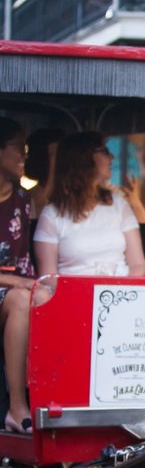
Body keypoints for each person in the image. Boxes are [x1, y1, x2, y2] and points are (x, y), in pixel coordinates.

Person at [33, 131, 145, 277]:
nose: (112, 158)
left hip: (120, 292)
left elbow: (138, 265)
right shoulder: (52, 214)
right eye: (105, 152)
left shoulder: (118, 204)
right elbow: (47, 277)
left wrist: (122, 293)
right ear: (84, 158)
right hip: (74, 295)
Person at [0, 118, 45, 433]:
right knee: (19, 299)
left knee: (46, 298)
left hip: (15, 290)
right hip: (9, 292)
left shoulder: (21, 199)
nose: (24, 156)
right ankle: (17, 406)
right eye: (18, 147)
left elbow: (25, 263)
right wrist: (20, 283)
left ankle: (52, 403)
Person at [26, 127, 145, 223]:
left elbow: (140, 220)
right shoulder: (33, 198)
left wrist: (134, 202)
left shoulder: (108, 193)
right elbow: (43, 213)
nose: (111, 157)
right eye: (105, 152)